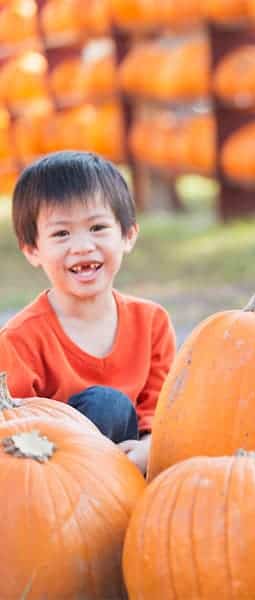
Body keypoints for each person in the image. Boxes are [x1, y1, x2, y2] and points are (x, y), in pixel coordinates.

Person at [0, 151, 176, 475]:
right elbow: (13, 436)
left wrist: (148, 449)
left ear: (128, 235)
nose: (82, 246)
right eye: (61, 233)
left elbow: (161, 413)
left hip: (132, 469)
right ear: (32, 250)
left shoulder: (151, 323)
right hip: (53, 480)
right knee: (106, 406)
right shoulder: (20, 340)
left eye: (97, 227)